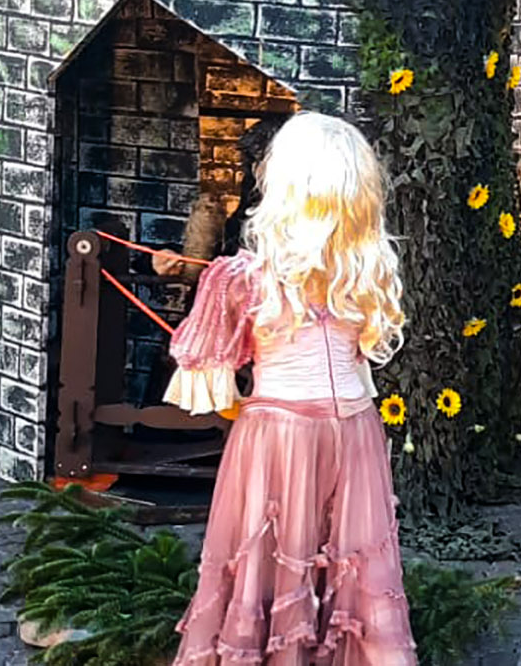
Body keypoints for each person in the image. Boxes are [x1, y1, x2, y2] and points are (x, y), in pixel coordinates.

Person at [162, 113, 416, 664]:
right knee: (351, 557)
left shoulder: (242, 277)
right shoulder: (366, 272)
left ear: (283, 183)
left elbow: (208, 387)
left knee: (271, 556)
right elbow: (364, 357)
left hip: (278, 433)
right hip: (353, 429)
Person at [152, 116, 285, 278]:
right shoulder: (254, 198)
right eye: (254, 164)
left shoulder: (300, 221)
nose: (257, 171)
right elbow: (231, 250)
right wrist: (163, 259)